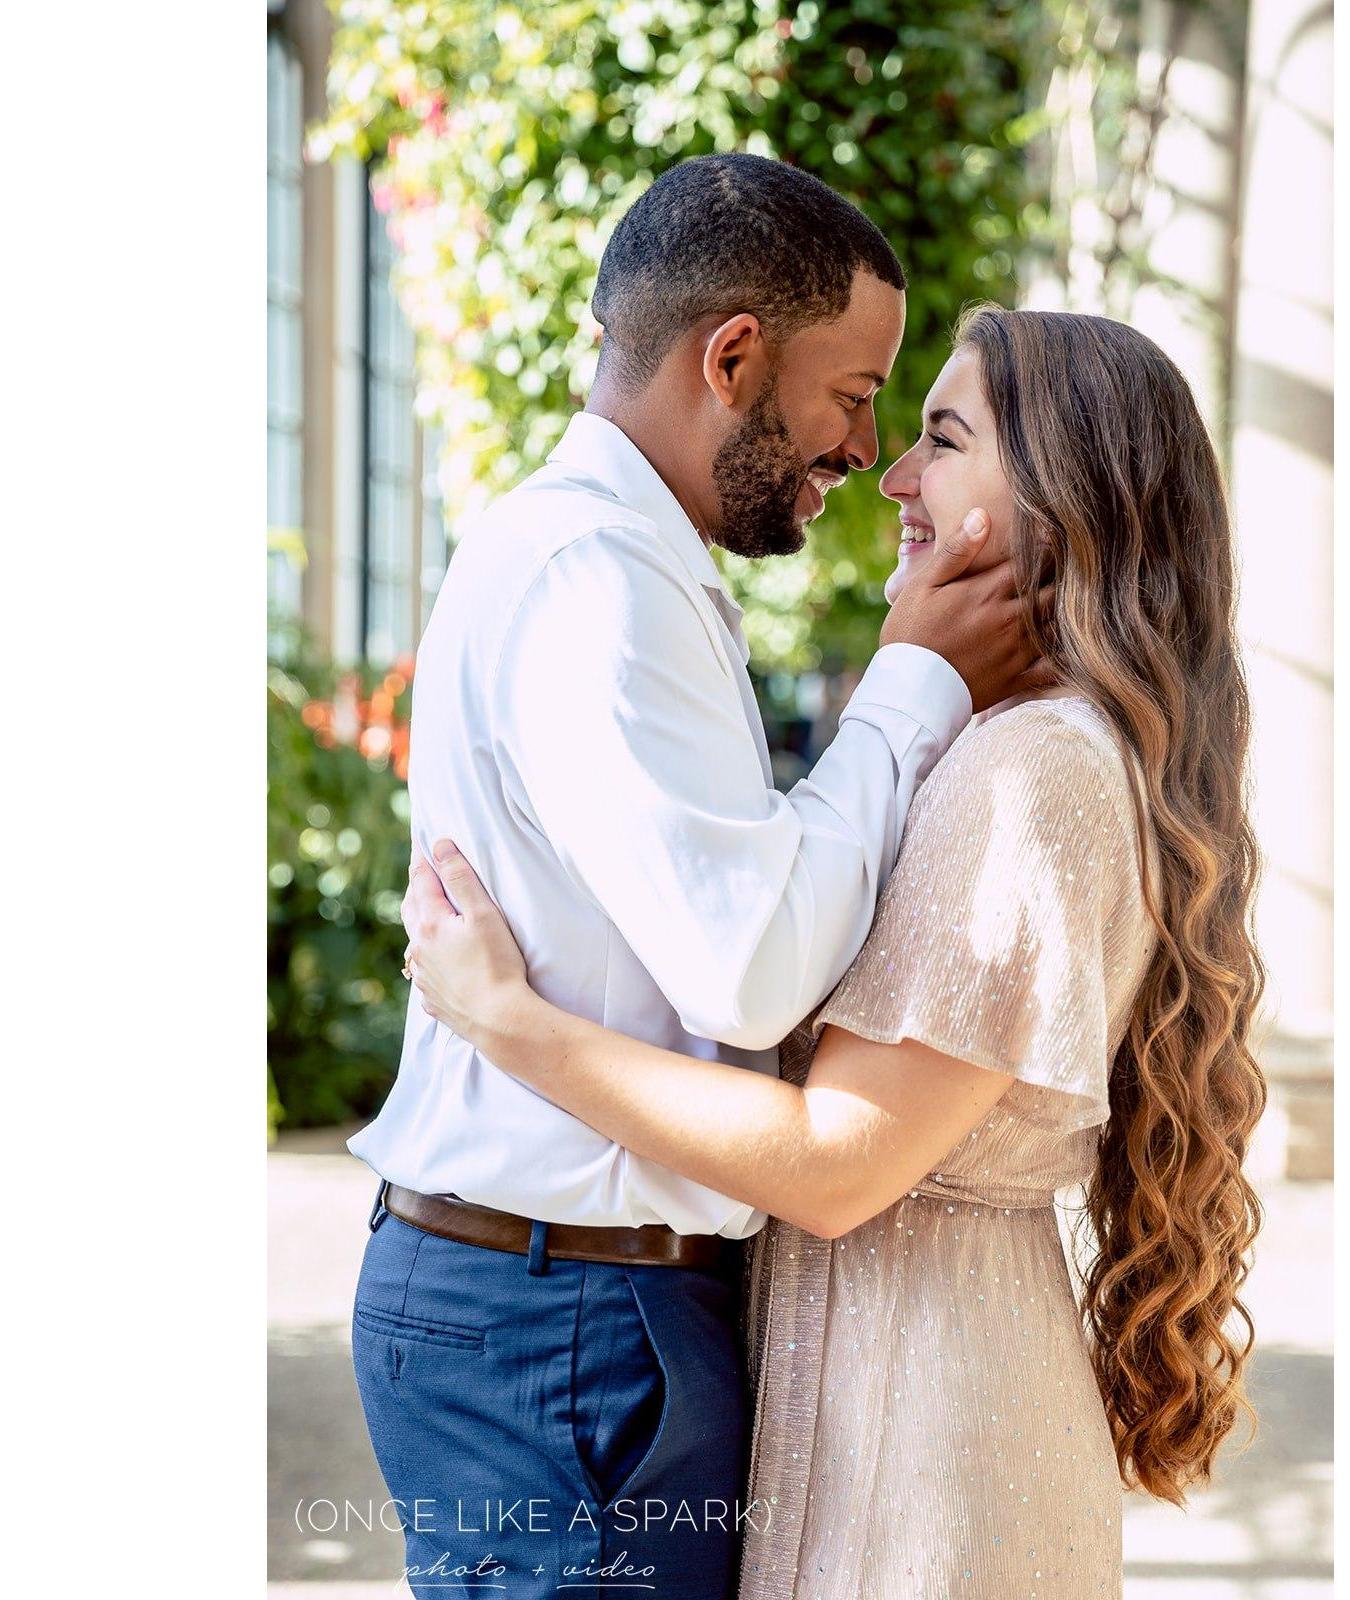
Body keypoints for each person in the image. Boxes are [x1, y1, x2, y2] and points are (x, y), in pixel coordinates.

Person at [400, 306, 1270, 1599]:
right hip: (904, 1405)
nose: (896, 476)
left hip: (927, 1456)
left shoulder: (1032, 772)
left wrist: (510, 1024)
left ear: (1062, 501)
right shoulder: (1016, 749)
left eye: (944, 440)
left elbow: (834, 1162)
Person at [344, 154, 1046, 1600]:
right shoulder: (596, 577)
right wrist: (911, 682)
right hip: (564, 1317)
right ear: (732, 359)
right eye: (853, 396)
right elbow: (749, 963)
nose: (866, 453)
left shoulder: (621, 560)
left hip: (580, 1299)